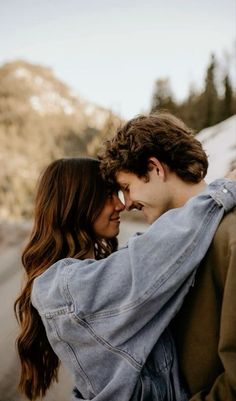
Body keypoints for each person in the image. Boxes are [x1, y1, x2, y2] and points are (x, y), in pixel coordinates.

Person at [14, 157, 236, 401]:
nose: (120, 205)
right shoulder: (62, 287)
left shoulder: (84, 274)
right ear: (78, 202)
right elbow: (151, 255)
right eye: (108, 196)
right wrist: (223, 188)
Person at [99, 111, 236, 401]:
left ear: (155, 168)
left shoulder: (230, 236)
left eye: (127, 187)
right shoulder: (166, 246)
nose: (128, 204)